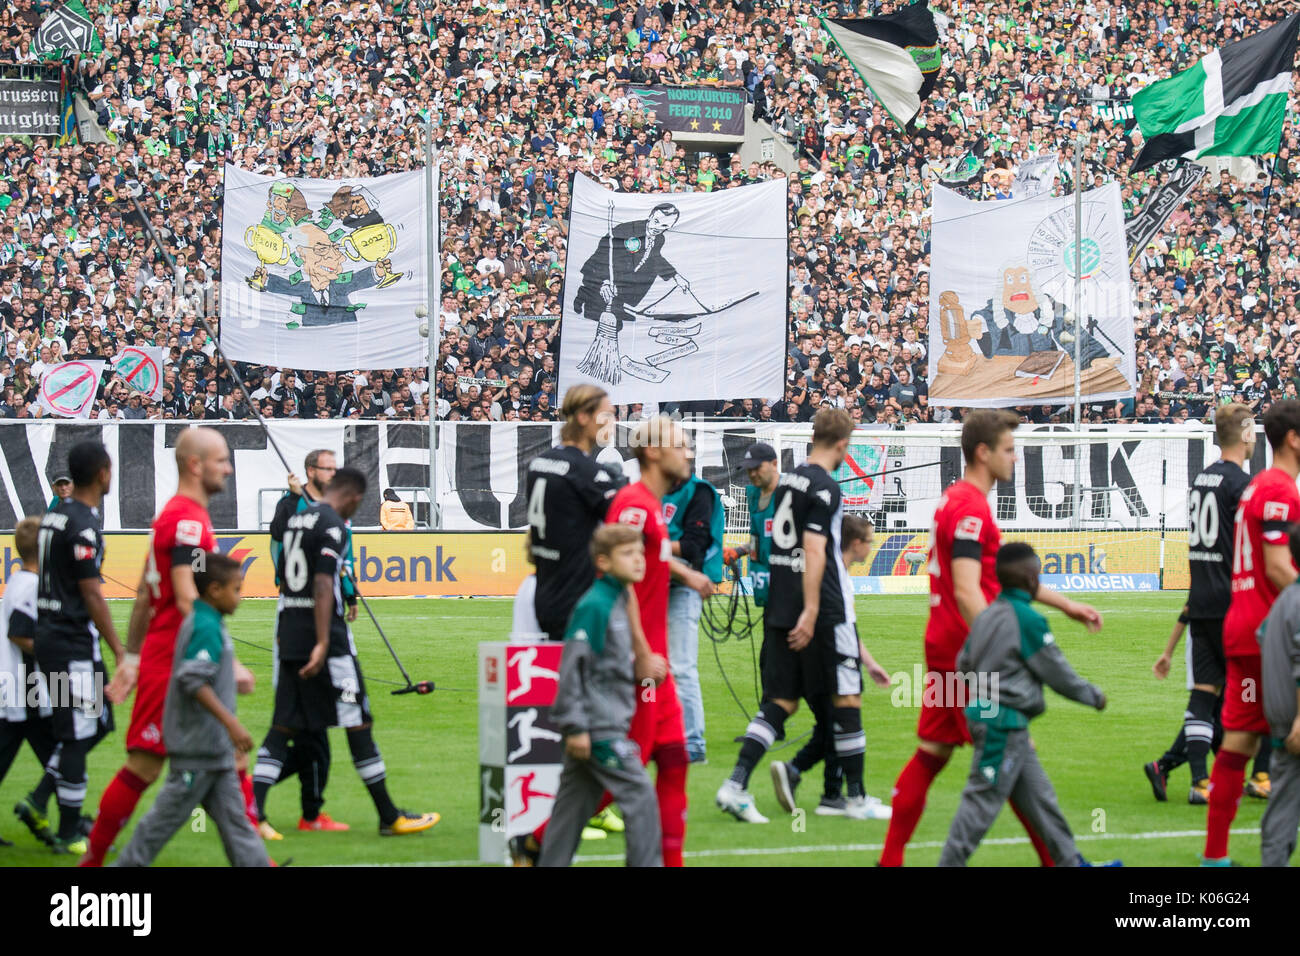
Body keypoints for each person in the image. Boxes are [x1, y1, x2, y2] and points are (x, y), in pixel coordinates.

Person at [879, 410, 1103, 867]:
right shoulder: (970, 507)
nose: (1015, 459)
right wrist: (995, 645)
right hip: (970, 650)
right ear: (983, 452)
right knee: (1015, 752)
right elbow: (965, 587)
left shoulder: (956, 500)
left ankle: (890, 860)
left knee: (933, 752)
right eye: (1008, 449)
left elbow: (997, 575)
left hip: (947, 643)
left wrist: (1067, 605)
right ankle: (1062, 861)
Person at [81, 427, 243, 866]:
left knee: (228, 755)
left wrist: (130, 657)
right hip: (176, 657)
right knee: (145, 765)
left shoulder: (175, 516)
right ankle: (93, 862)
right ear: (196, 465)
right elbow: (187, 595)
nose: (229, 468)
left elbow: (140, 594)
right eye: (222, 460)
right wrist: (227, 653)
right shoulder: (188, 521)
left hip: (165, 653)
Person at [258, 466, 439, 837]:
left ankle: (252, 812)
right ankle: (390, 816)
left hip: (289, 632)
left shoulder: (297, 519)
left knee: (283, 725)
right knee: (358, 721)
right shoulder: (333, 524)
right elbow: (324, 584)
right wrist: (324, 642)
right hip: (325, 640)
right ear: (353, 497)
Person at [716, 408, 878, 821]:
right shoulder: (824, 487)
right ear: (843, 444)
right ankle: (853, 797)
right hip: (821, 608)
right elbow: (813, 549)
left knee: (782, 701)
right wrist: (811, 610)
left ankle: (736, 785)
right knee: (846, 696)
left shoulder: (788, 482)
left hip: (780, 606)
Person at [937, 543, 1109, 867]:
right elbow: (1058, 674)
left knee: (1041, 800)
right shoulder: (1028, 619)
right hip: (1003, 723)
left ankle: (1072, 863)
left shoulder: (987, 615)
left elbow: (963, 663)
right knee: (980, 803)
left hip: (993, 717)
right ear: (1032, 578)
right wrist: (1094, 696)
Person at [112, 553, 269, 867]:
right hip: (197, 749)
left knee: (237, 825)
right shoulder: (205, 626)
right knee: (159, 825)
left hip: (215, 752)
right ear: (214, 590)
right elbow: (192, 679)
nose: (240, 597)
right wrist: (231, 723)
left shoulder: (204, 619)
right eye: (236, 589)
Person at [1204, 400, 1300, 865]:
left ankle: (1216, 857)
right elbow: (1281, 568)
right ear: (1294, 439)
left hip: (1242, 624)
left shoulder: (1258, 486)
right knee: (1288, 741)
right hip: (1274, 635)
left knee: (1240, 742)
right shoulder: (1280, 490)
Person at [1146, 403, 1253, 805]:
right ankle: (1259, 775)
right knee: (1245, 695)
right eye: (1253, 429)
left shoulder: (1200, 480)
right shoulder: (1241, 484)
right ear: (1245, 434)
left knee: (1206, 694)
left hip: (1201, 599)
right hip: (1233, 602)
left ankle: (1197, 780)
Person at [538, 524, 663, 867]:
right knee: (640, 797)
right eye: (628, 554)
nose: (638, 560)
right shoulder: (596, 605)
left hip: (601, 725)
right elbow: (572, 667)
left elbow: (609, 664)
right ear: (603, 562)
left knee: (569, 813)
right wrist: (576, 726)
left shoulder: (621, 597)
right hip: (597, 728)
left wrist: (644, 667)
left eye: (640, 552)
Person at [254, 448, 355, 838]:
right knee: (296, 724)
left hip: (319, 612)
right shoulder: (290, 505)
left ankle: (308, 812)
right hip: (299, 614)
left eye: (335, 468)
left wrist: (348, 591)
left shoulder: (327, 509)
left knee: (311, 729)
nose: (333, 473)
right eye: (327, 468)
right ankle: (251, 798)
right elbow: (283, 537)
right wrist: (296, 497)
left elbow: (335, 562)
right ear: (312, 471)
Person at [34, 440, 125, 854]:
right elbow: (91, 592)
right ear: (103, 473)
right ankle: (70, 829)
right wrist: (120, 650)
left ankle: (38, 800)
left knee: (98, 722)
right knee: (78, 732)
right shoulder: (83, 524)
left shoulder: (54, 516)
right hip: (70, 642)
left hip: (51, 637)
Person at [770, 514, 892, 818]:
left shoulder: (835, 575)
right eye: (870, 542)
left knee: (830, 725)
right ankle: (853, 796)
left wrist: (870, 663)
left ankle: (829, 794)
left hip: (820, 651)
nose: (871, 547)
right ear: (856, 543)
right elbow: (839, 625)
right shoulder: (832, 576)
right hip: (826, 651)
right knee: (845, 718)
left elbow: (847, 625)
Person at [660, 445, 722, 763]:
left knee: (682, 666)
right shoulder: (653, 490)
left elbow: (694, 546)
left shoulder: (699, 492)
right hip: (652, 585)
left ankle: (693, 742)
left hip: (683, 584)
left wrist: (650, 542)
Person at [1, 517, 56, 845]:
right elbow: (20, 633)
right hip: (28, 689)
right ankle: (71, 825)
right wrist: (57, 653)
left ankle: (67, 820)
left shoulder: (20, 580)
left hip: (20, 690)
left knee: (60, 756)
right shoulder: (30, 586)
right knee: (65, 757)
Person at [1258, 523, 1300, 866]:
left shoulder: (1284, 599)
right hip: (1296, 718)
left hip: (1278, 715)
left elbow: (1263, 636)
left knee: (1283, 803)